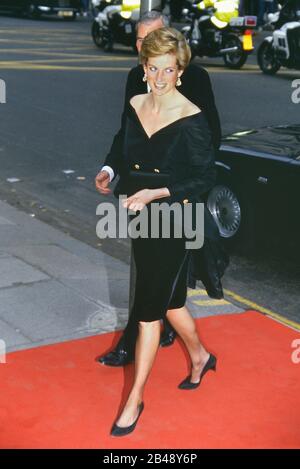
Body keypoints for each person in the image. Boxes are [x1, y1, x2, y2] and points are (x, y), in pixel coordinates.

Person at [103, 26, 219, 436]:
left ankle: (134, 398)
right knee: (168, 301)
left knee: (149, 311)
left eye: (168, 70)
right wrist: (112, 171)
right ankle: (202, 356)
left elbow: (203, 178)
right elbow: (127, 149)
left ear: (180, 71)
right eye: (152, 69)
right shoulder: (135, 104)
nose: (159, 78)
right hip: (142, 217)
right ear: (144, 67)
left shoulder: (192, 118)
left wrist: (157, 191)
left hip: (175, 218)